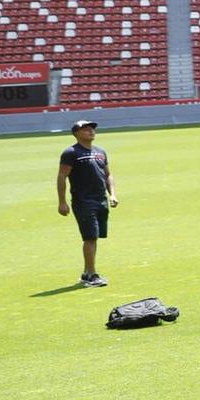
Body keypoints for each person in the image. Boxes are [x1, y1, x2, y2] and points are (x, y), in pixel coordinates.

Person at [56, 118, 117, 287]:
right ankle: (92, 275)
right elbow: (62, 176)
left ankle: (87, 273)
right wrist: (62, 202)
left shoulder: (100, 152)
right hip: (83, 201)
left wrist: (112, 194)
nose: (91, 131)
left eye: (92, 128)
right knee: (89, 237)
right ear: (76, 133)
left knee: (94, 237)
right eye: (86, 129)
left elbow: (108, 175)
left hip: (101, 200)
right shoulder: (71, 153)